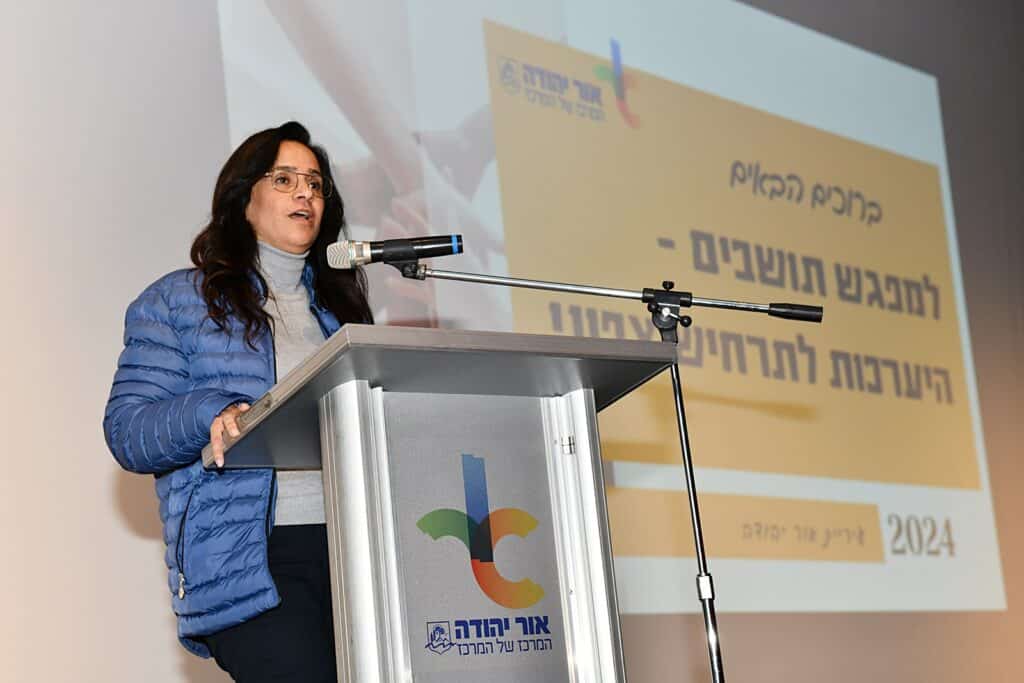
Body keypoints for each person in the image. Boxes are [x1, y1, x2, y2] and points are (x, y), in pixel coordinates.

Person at [103, 121, 372, 681]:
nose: (305, 194)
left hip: (359, 552)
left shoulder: (340, 310)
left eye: (315, 184)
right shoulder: (179, 300)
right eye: (285, 179)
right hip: (253, 562)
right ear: (242, 199)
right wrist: (212, 411)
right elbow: (129, 431)